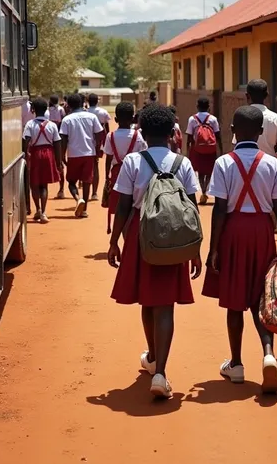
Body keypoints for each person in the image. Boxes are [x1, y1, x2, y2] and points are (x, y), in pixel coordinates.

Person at [108, 104, 201, 399]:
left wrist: (114, 242)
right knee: (165, 305)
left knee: (147, 300)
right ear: (172, 133)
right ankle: (159, 369)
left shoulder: (133, 162)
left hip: (141, 233)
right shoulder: (181, 163)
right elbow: (192, 207)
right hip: (175, 236)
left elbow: (123, 204)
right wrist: (195, 250)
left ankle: (153, 359)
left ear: (143, 133)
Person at [202, 106, 277, 394]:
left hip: (233, 230)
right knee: (260, 297)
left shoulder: (223, 163)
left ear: (231, 131)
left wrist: (213, 248)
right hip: (262, 232)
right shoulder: (272, 163)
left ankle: (237, 364)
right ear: (260, 133)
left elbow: (219, 208)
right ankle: (268, 354)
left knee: (234, 300)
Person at [103, 102, 147, 234]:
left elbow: (109, 159)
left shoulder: (110, 136)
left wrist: (107, 177)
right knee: (134, 207)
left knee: (120, 208)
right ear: (133, 118)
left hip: (117, 175)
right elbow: (143, 155)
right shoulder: (137, 136)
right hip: (135, 173)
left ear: (115, 120)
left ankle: (123, 236)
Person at [60, 94, 104, 219]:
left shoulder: (67, 119)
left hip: (73, 154)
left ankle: (78, 199)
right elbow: (100, 134)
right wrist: (97, 148)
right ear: (83, 103)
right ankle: (84, 209)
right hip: (89, 153)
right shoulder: (92, 117)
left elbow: (63, 139)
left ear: (68, 105)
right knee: (87, 181)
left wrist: (62, 156)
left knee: (71, 182)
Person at [22, 97, 62, 224]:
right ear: (46, 109)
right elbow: (57, 144)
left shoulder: (30, 124)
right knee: (44, 185)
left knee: (34, 184)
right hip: (48, 154)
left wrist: (25, 154)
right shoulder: (52, 125)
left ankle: (37, 209)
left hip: (35, 154)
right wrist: (58, 161)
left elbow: (26, 140)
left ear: (33, 110)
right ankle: (44, 213)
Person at [186, 97, 223, 204]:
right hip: (211, 149)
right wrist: (220, 149)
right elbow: (218, 135)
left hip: (197, 149)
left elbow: (189, 138)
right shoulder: (213, 119)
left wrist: (188, 151)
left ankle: (202, 191)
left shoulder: (192, 119)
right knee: (209, 171)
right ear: (208, 107)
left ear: (197, 106)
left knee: (200, 172)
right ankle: (206, 189)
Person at [87, 94, 111, 201]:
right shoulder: (103, 112)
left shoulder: (85, 112)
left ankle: (85, 192)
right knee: (95, 165)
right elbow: (107, 129)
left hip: (87, 140)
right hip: (98, 141)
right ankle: (94, 193)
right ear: (97, 101)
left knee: (87, 166)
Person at [49, 95, 66, 199]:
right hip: (58, 132)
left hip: (50, 132)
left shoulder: (48, 110)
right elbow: (63, 119)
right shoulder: (61, 109)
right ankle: (61, 189)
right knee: (59, 163)